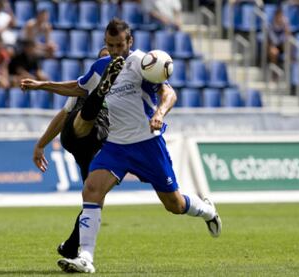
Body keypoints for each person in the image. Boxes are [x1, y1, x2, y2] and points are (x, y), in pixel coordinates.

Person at [22, 18, 222, 274]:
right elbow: (76, 87)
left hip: (147, 145)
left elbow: (168, 93)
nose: (115, 50)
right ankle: (85, 258)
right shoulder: (101, 66)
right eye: (110, 45)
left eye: (119, 44)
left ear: (130, 41)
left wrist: (160, 113)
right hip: (116, 145)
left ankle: (206, 210)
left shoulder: (143, 62)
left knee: (174, 205)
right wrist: (42, 85)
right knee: (91, 189)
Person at [21, 46, 114, 259]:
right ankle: (97, 97)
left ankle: (71, 247)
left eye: (113, 60)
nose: (110, 62)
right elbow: (63, 115)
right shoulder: (85, 82)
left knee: (94, 199)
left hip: (97, 149)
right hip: (80, 133)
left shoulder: (129, 90)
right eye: (105, 60)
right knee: (90, 104)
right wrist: (40, 144)